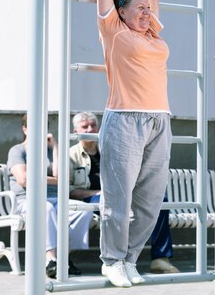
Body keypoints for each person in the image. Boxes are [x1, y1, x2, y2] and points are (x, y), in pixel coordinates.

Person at [86, 0, 173, 288]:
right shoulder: (114, 31)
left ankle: (130, 259)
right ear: (120, 12)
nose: (146, 12)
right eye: (138, 9)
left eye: (147, 9)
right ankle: (112, 260)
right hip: (123, 120)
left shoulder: (151, 32)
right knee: (118, 201)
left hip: (159, 121)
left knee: (151, 202)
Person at [68, 112, 180, 275]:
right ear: (76, 131)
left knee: (159, 202)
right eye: (85, 127)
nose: (90, 129)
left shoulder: (110, 148)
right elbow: (69, 190)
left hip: (121, 193)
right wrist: (100, 192)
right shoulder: (71, 155)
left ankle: (160, 259)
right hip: (92, 199)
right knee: (114, 204)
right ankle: (118, 260)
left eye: (93, 125)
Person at [7, 114, 94, 279]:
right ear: (25, 129)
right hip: (26, 201)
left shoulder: (49, 150)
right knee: (45, 208)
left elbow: (62, 178)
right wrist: (52, 180)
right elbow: (24, 180)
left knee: (83, 210)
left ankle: (62, 258)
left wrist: (55, 147)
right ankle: (50, 259)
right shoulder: (17, 151)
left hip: (56, 200)